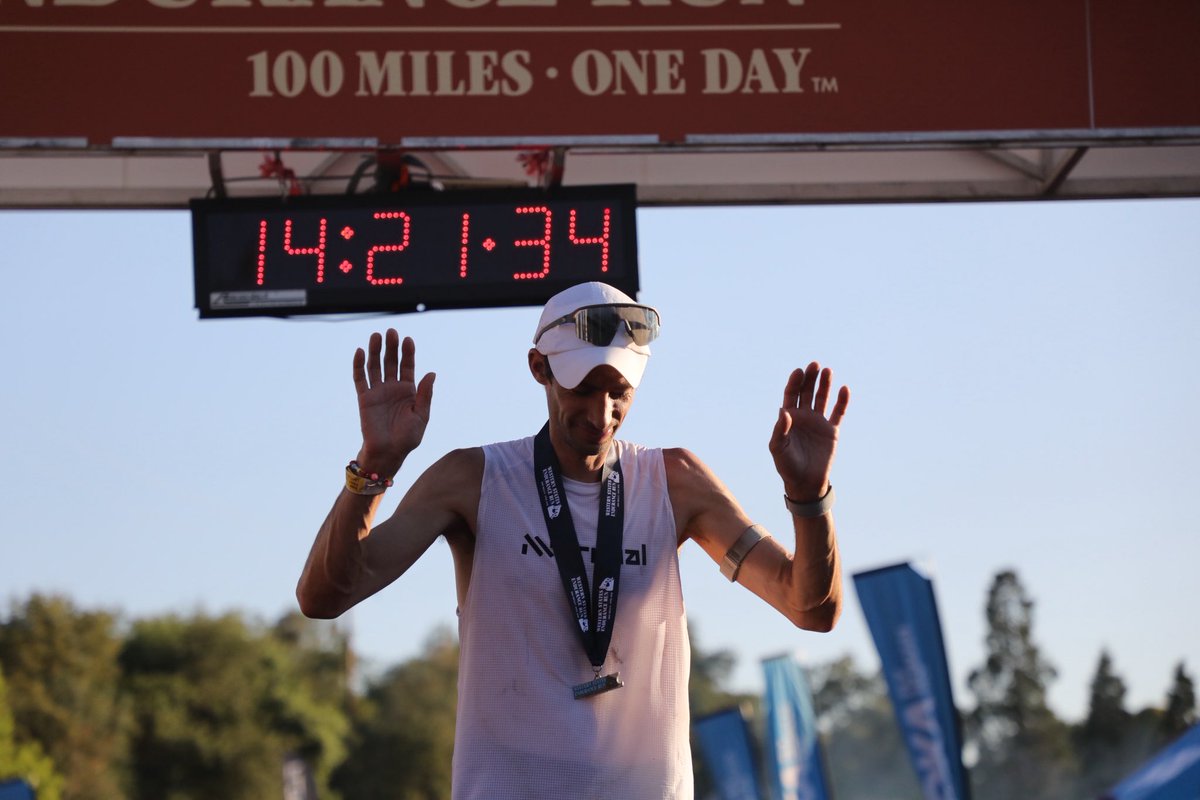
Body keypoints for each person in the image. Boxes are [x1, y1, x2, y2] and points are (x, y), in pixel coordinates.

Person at [297, 281, 850, 800]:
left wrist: (810, 498)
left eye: (619, 392)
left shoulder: (675, 482)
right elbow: (325, 597)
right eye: (583, 389)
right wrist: (374, 466)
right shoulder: (475, 479)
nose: (602, 413)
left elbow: (809, 608)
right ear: (539, 368)